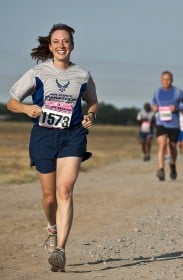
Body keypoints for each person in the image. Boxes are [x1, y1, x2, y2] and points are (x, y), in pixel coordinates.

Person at [6, 23, 98, 272]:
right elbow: (12, 103)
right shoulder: (38, 73)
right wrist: (26, 109)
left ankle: (60, 250)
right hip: (44, 137)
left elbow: (93, 101)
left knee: (65, 190)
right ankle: (51, 228)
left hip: (73, 135)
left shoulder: (82, 74)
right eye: (56, 41)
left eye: (66, 41)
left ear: (72, 45)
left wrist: (91, 115)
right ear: (50, 46)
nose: (61, 45)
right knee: (49, 198)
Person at [152, 70, 183, 181]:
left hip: (174, 124)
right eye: (164, 79)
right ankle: (161, 170)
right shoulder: (157, 92)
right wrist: (154, 107)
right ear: (160, 80)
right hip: (161, 123)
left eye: (168, 79)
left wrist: (177, 108)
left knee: (173, 147)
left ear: (172, 80)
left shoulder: (178, 92)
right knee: (162, 144)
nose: (166, 81)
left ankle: (172, 165)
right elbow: (154, 103)